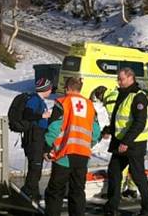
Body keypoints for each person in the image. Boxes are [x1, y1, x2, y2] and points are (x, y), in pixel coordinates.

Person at [43, 77, 101, 216]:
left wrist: (47, 147)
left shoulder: (62, 103)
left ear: (67, 88)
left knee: (55, 191)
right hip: (82, 155)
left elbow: (54, 128)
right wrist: (88, 144)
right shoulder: (89, 105)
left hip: (64, 154)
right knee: (77, 191)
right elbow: (96, 132)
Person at [103, 68, 148, 216]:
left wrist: (126, 142)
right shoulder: (122, 94)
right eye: (118, 78)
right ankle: (112, 207)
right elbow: (118, 118)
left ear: (131, 77)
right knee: (114, 172)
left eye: (121, 79)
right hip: (121, 142)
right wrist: (109, 130)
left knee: (138, 176)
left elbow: (139, 123)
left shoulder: (139, 97)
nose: (118, 81)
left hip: (134, 144)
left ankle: (147, 210)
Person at [95, 87, 138, 199]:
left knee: (119, 167)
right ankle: (132, 190)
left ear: (101, 96)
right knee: (132, 165)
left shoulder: (110, 101)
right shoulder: (116, 94)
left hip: (123, 136)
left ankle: (115, 193)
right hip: (134, 136)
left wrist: (107, 130)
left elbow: (116, 121)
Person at [21, 77, 53, 202]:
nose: (51, 91)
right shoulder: (34, 100)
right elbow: (27, 114)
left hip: (39, 136)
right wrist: (42, 115)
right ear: (45, 89)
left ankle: (33, 192)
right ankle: (28, 192)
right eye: (49, 88)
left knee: (36, 167)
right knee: (35, 167)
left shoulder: (40, 100)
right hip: (34, 137)